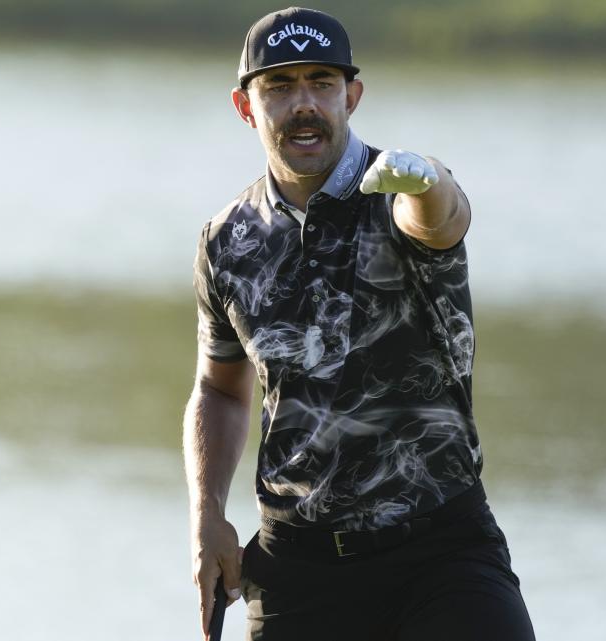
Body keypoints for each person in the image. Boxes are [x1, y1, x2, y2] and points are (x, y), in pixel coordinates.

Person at [183, 7, 535, 641]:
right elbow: (218, 389)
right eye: (280, 86)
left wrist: (426, 179)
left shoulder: (399, 191)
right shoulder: (226, 242)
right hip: (299, 568)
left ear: (352, 95)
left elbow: (440, 218)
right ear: (245, 105)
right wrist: (207, 515)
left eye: (321, 82)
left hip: (440, 551)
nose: (304, 104)